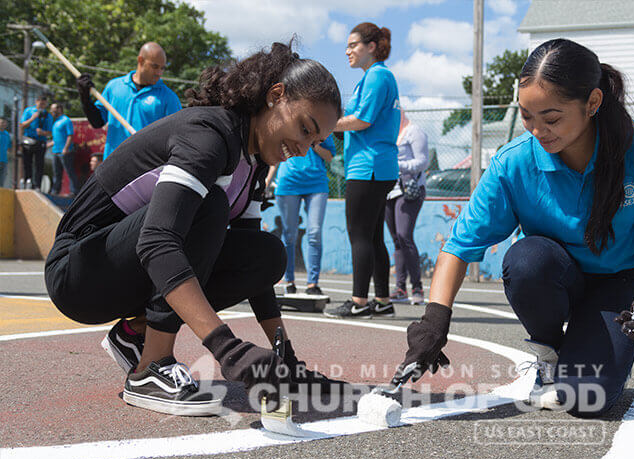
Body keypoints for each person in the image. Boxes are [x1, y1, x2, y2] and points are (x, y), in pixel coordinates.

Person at [45, 42, 344, 416]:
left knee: (267, 255)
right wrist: (227, 347)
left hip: (124, 266)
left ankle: (136, 333)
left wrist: (287, 361)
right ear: (276, 95)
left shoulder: (251, 163)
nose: (303, 148)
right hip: (78, 272)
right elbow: (157, 241)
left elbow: (253, 271)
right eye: (304, 129)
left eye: (314, 142)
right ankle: (150, 369)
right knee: (208, 205)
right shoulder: (210, 136)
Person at [391, 39, 634, 417]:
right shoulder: (513, 163)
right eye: (527, 116)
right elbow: (459, 246)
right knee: (526, 260)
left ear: (593, 103)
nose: (537, 131)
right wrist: (435, 319)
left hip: (619, 283)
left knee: (585, 399)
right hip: (555, 276)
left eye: (552, 117)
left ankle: (592, 350)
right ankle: (549, 354)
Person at [325, 22, 400, 319]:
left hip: (367, 167)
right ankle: (382, 300)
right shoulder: (374, 78)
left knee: (359, 234)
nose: (347, 51)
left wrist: (324, 125)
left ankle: (359, 302)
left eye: (353, 45)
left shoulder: (377, 76)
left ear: (371, 46)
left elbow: (362, 120)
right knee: (373, 236)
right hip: (376, 165)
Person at [76, 42, 182, 159]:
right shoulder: (114, 86)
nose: (159, 73)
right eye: (155, 66)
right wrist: (85, 97)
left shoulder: (168, 97)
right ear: (140, 60)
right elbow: (97, 122)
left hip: (145, 168)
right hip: (112, 164)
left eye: (162, 68)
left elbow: (177, 138)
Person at [266, 134, 335, 295]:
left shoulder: (325, 126)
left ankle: (313, 284)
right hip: (288, 183)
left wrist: (314, 142)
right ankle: (289, 281)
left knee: (315, 233)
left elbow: (330, 157)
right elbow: (276, 155)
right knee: (289, 234)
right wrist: (267, 181)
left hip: (317, 184)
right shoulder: (290, 124)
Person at [386, 112, 428, 305]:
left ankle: (417, 287)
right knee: (396, 240)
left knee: (404, 236)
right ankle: (400, 287)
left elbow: (423, 161)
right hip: (389, 190)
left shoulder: (414, 131)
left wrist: (397, 165)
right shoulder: (388, 132)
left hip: (409, 190)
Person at [19, 94, 53, 189]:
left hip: (40, 142)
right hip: (28, 141)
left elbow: (50, 132)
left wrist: (43, 133)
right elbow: (22, 125)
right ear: (36, 102)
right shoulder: (29, 111)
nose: (42, 106)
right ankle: (27, 181)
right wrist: (32, 118)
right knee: (26, 163)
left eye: (44, 104)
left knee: (39, 164)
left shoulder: (48, 115)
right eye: (40, 103)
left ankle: (37, 185)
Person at [49, 103, 78, 196]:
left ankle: (74, 191)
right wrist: (48, 145)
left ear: (59, 109)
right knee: (56, 173)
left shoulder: (66, 120)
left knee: (69, 171)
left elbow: (70, 135)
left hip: (65, 151)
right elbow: (56, 138)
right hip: (55, 151)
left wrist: (65, 148)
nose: (52, 111)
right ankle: (55, 191)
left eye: (53, 109)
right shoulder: (55, 122)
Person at [0, 118, 10, 188]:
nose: (4, 124)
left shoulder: (7, 134)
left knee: (1, 182)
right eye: (2, 122)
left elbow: (8, 147)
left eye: (5, 123)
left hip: (4, 160)